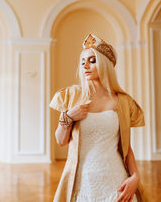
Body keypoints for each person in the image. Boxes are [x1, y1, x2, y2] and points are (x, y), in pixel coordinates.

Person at [49, 34, 148, 202]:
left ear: (106, 65)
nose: (85, 66)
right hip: (82, 180)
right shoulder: (71, 96)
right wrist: (69, 117)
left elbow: (126, 147)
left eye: (92, 61)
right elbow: (61, 140)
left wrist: (135, 177)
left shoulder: (123, 102)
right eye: (82, 62)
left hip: (116, 179)